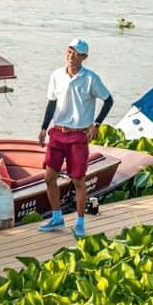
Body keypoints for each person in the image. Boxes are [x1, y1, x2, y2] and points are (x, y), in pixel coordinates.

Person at [37, 38, 114, 237]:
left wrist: (96, 124)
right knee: (49, 178)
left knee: (78, 180)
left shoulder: (91, 79)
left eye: (77, 53)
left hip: (78, 136)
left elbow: (108, 100)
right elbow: (51, 103)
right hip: (57, 133)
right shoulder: (56, 75)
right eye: (69, 51)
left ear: (84, 57)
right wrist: (44, 128)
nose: (72, 56)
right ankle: (57, 218)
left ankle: (80, 223)